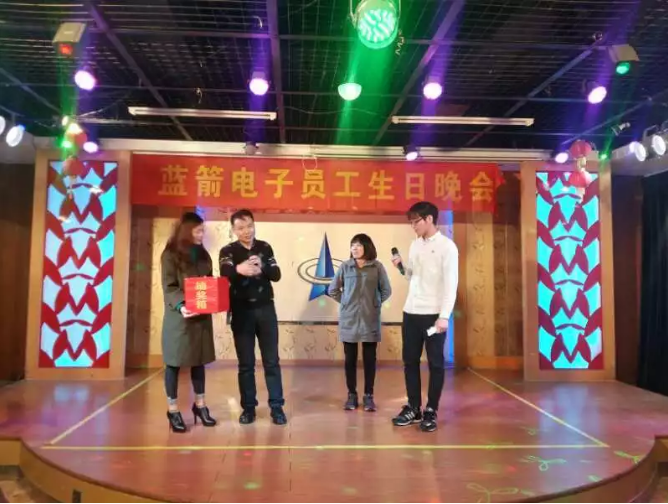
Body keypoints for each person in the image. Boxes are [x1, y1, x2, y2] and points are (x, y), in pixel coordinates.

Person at [390, 201, 458, 432]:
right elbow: (413, 276)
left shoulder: (447, 247)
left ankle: (431, 409)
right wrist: (402, 268)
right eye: (410, 222)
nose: (413, 226)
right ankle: (413, 407)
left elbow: (450, 286)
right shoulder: (414, 245)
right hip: (411, 312)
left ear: (429, 219)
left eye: (415, 221)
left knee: (435, 363)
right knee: (410, 361)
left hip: (433, 316)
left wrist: (444, 316)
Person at [219, 209, 287, 425]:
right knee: (246, 364)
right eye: (241, 228)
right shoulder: (228, 251)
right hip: (241, 312)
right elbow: (224, 272)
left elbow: (276, 275)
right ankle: (248, 408)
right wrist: (239, 269)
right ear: (233, 230)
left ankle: (277, 407)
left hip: (266, 310)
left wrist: (262, 266)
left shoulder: (264, 247)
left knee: (271, 361)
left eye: (249, 226)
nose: (246, 231)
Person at [160, 212, 217, 433]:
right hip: (179, 318)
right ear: (186, 231)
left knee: (199, 361)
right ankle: (173, 409)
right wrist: (182, 305)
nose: (202, 235)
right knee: (173, 363)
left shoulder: (203, 255)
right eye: (198, 231)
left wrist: (216, 294)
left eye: (203, 231)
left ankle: (200, 405)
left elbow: (209, 281)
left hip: (201, 316)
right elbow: (169, 287)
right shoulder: (170, 255)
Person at [328, 234, 392, 412]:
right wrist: (346, 302)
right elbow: (333, 289)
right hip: (349, 319)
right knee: (350, 359)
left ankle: (369, 396)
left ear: (367, 247)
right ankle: (352, 395)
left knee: (370, 359)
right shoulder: (345, 266)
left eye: (358, 245)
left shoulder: (377, 267)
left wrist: (374, 303)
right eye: (352, 245)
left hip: (370, 319)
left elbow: (386, 290)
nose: (354, 248)